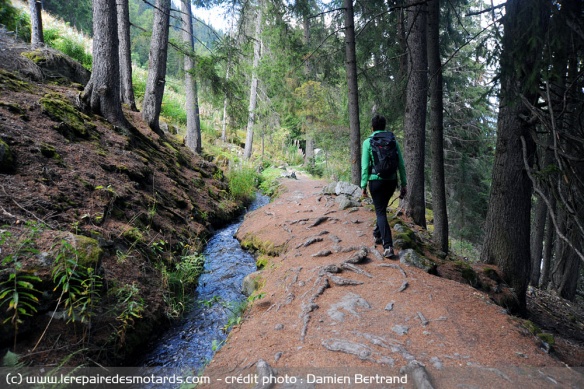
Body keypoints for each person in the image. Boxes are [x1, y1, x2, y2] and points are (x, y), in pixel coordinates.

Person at [361, 114, 407, 259]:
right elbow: (400, 164)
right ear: (384, 127)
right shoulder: (392, 140)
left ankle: (388, 247)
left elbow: (364, 166)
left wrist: (363, 186)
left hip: (376, 181)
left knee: (380, 212)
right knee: (381, 210)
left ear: (372, 127)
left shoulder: (368, 142)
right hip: (391, 181)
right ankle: (377, 234)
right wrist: (404, 184)